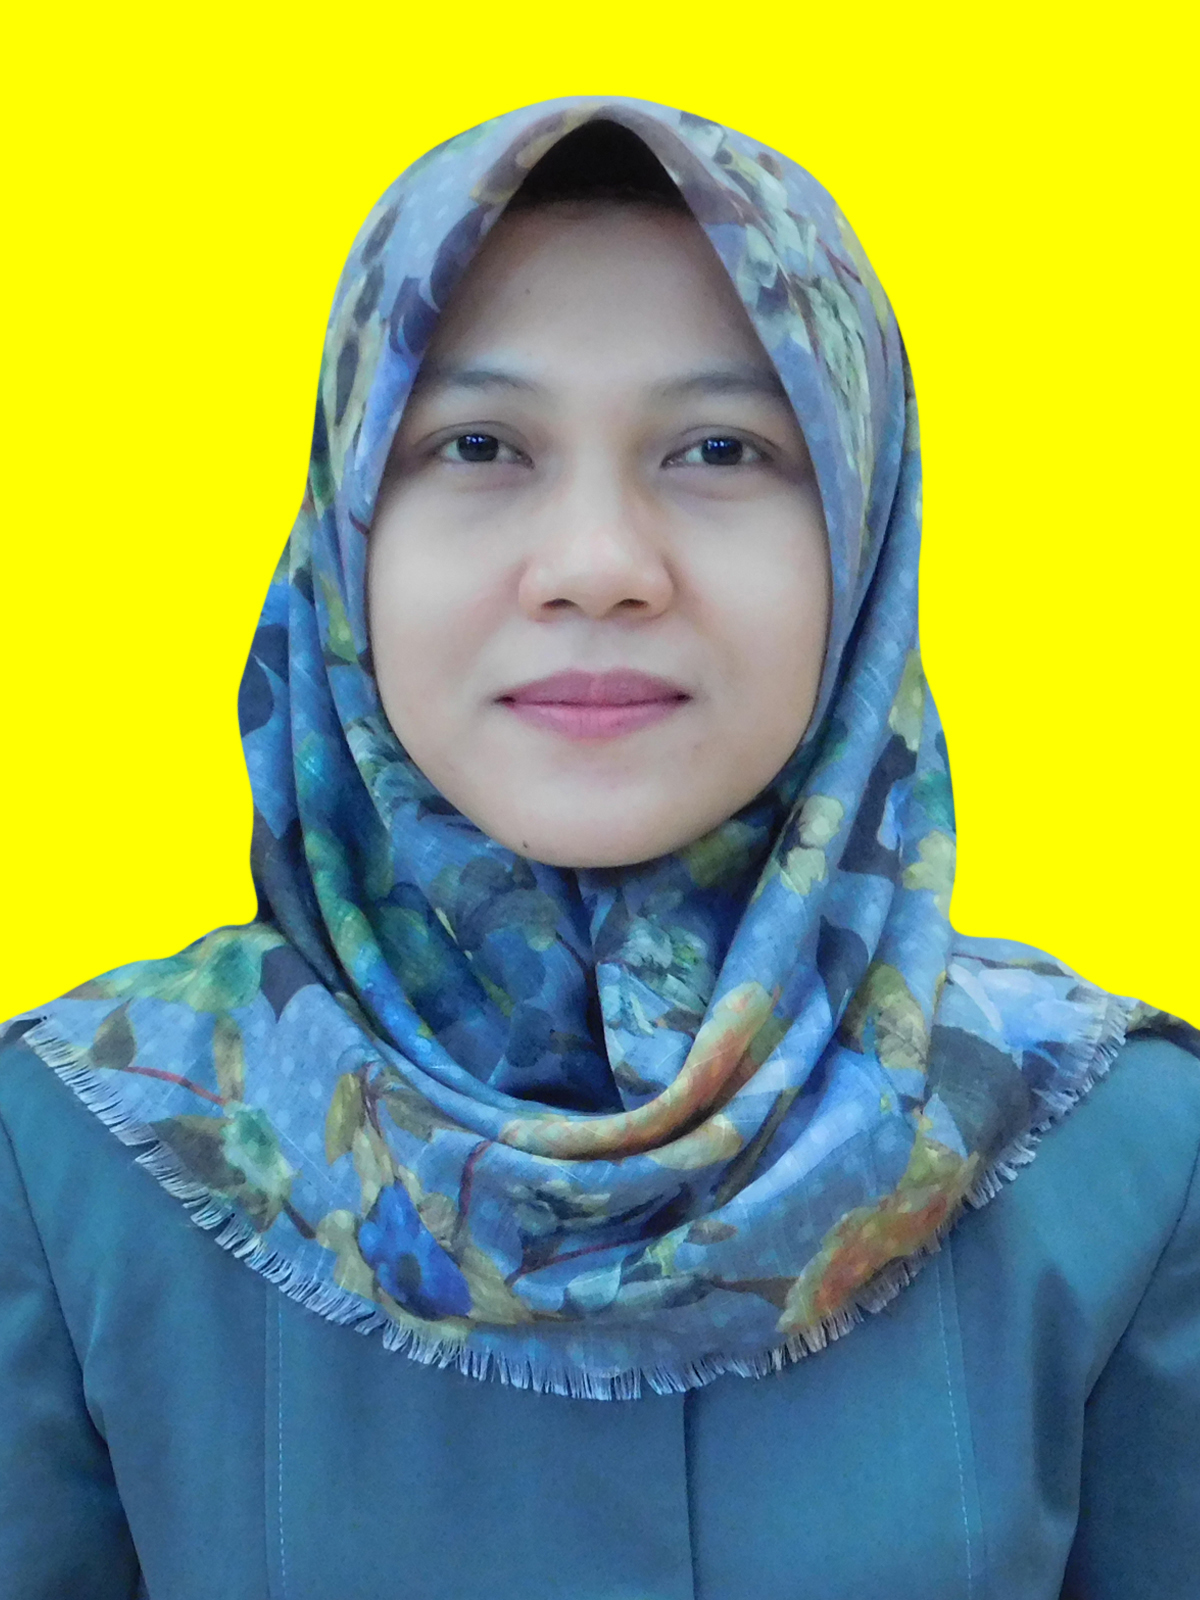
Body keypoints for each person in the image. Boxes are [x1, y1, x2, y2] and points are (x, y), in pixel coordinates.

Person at [1, 98, 1196, 1600]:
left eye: (719, 447)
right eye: (479, 444)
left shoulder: (1113, 1156)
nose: (597, 567)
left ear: (863, 528)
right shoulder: (74, 1157)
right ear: (346, 531)